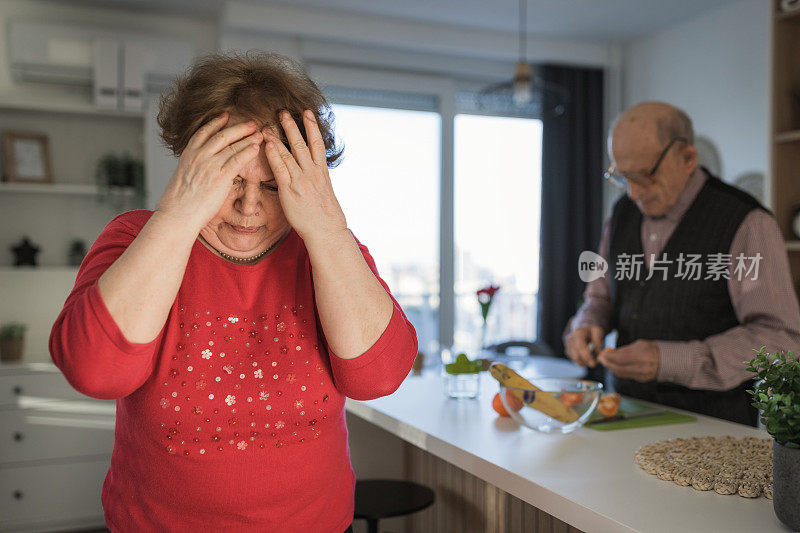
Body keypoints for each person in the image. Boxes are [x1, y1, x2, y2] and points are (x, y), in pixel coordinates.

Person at [49, 51, 418, 532]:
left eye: (272, 187)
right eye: (231, 180)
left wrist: (328, 230)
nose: (249, 207)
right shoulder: (135, 237)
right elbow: (93, 370)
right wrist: (179, 216)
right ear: (192, 165)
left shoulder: (327, 249)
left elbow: (380, 377)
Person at [563, 101, 800, 426]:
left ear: (688, 158)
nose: (632, 192)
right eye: (621, 176)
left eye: (644, 175)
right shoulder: (621, 214)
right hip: (623, 417)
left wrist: (672, 361)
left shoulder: (747, 222)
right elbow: (599, 296)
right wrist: (587, 323)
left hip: (713, 436)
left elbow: (781, 338)